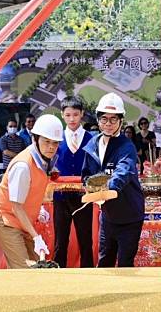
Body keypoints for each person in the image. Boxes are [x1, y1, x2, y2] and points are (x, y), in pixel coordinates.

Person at [0, 114, 62, 269]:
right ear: (35, 139)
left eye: (55, 143)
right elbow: (16, 206)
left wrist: (40, 208)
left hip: (24, 219)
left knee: (36, 264)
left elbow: (34, 190)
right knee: (24, 268)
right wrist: (36, 236)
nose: (51, 147)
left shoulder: (44, 161)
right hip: (6, 218)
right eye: (46, 141)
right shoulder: (23, 166)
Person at [82, 93, 144, 267]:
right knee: (104, 263)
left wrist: (108, 187)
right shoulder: (92, 145)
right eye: (104, 119)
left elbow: (122, 172)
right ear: (98, 119)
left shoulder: (127, 147)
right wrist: (90, 187)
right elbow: (86, 175)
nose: (108, 124)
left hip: (130, 217)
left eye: (113, 120)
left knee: (125, 264)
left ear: (121, 121)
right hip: (108, 217)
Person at [53, 97, 94, 268]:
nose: (72, 119)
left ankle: (89, 273)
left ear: (82, 114)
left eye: (75, 115)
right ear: (62, 115)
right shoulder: (55, 138)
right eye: (68, 115)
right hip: (60, 196)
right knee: (60, 239)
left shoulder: (92, 139)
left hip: (83, 197)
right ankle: (58, 272)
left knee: (85, 239)